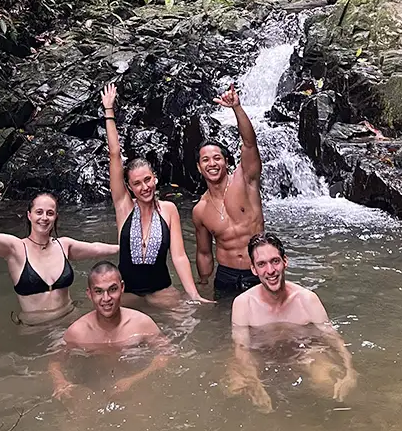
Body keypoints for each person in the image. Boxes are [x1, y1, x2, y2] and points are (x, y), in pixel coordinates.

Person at [0, 193, 119, 325]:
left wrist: (125, 248)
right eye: (39, 212)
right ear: (29, 215)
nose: (44, 218)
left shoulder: (64, 245)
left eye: (50, 213)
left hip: (71, 320)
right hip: (35, 331)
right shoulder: (15, 248)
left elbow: (95, 248)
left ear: (56, 217)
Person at [101, 83, 211, 307]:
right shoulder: (124, 206)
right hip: (128, 291)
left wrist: (193, 295)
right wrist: (109, 112)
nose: (144, 187)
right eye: (137, 183)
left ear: (155, 178)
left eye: (147, 180)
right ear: (130, 187)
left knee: (187, 321)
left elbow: (179, 256)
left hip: (161, 289)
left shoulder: (169, 210)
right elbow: (114, 155)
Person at [228, 232, 358, 411]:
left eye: (275, 261)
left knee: (326, 384)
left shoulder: (307, 299)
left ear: (285, 262)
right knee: (234, 388)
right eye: (261, 264)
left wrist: (350, 371)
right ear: (253, 269)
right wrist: (254, 383)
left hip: (302, 352)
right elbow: (241, 349)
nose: (270, 271)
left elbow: (334, 338)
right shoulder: (243, 304)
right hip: (261, 354)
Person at [49, 261, 171, 401]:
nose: (106, 299)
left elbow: (167, 354)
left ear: (122, 288)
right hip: (93, 386)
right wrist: (60, 382)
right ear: (89, 294)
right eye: (99, 291)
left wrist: (133, 381)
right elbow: (55, 363)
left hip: (135, 384)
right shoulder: (77, 332)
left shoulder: (142, 324)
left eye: (112, 289)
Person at [193, 83, 264, 300]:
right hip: (226, 276)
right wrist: (203, 286)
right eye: (205, 160)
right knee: (225, 328)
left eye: (217, 158)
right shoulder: (200, 210)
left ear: (226, 162)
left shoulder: (244, 180)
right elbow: (204, 253)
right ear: (199, 167)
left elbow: (249, 144)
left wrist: (237, 108)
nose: (211, 164)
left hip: (258, 270)